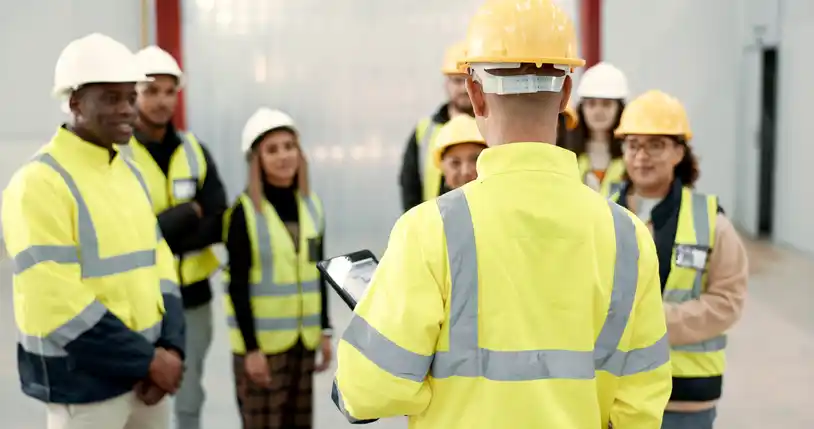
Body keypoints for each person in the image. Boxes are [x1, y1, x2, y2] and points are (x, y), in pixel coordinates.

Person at [331, 1, 672, 428]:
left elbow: (367, 390)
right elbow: (641, 405)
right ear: (567, 95)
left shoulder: (429, 230)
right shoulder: (629, 237)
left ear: (475, 94)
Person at [1, 33, 185, 429]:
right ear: (75, 103)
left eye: (130, 97)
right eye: (111, 98)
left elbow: (161, 263)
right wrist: (150, 360)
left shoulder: (128, 173)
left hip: (147, 382)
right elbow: (54, 301)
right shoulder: (39, 183)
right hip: (84, 386)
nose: (127, 110)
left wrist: (171, 346)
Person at [610, 90, 749, 429]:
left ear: (678, 151)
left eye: (655, 145)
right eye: (633, 144)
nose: (642, 156)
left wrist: (653, 321)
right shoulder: (599, 211)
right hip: (613, 390)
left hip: (686, 397)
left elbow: (727, 301)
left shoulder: (710, 221)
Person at [128, 45, 228, 429]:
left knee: (188, 396)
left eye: (169, 91)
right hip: (142, 298)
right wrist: (189, 212)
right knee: (140, 399)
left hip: (194, 298)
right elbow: (127, 234)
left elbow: (219, 218)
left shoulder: (194, 150)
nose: (161, 100)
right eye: (151, 90)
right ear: (133, 94)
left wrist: (162, 229)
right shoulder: (120, 156)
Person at [223, 108, 333, 429]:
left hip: (303, 343)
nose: (283, 156)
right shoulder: (243, 214)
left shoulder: (312, 206)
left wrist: (325, 330)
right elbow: (237, 288)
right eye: (272, 150)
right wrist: (251, 350)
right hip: (263, 350)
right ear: (256, 159)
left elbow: (319, 272)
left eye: (289, 146)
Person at [399, 41, 474, 212]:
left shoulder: (494, 129)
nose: (464, 88)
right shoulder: (424, 132)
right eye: (457, 80)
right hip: (434, 231)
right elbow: (410, 186)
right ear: (446, 83)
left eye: (470, 80)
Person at [570, 62, 629, 195]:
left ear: (619, 109)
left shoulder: (631, 155)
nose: (598, 111)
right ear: (581, 108)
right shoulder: (568, 153)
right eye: (591, 104)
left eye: (606, 104)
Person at [431, 115, 487, 192]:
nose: (466, 172)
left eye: (475, 160)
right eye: (455, 163)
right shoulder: (435, 204)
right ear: (442, 167)